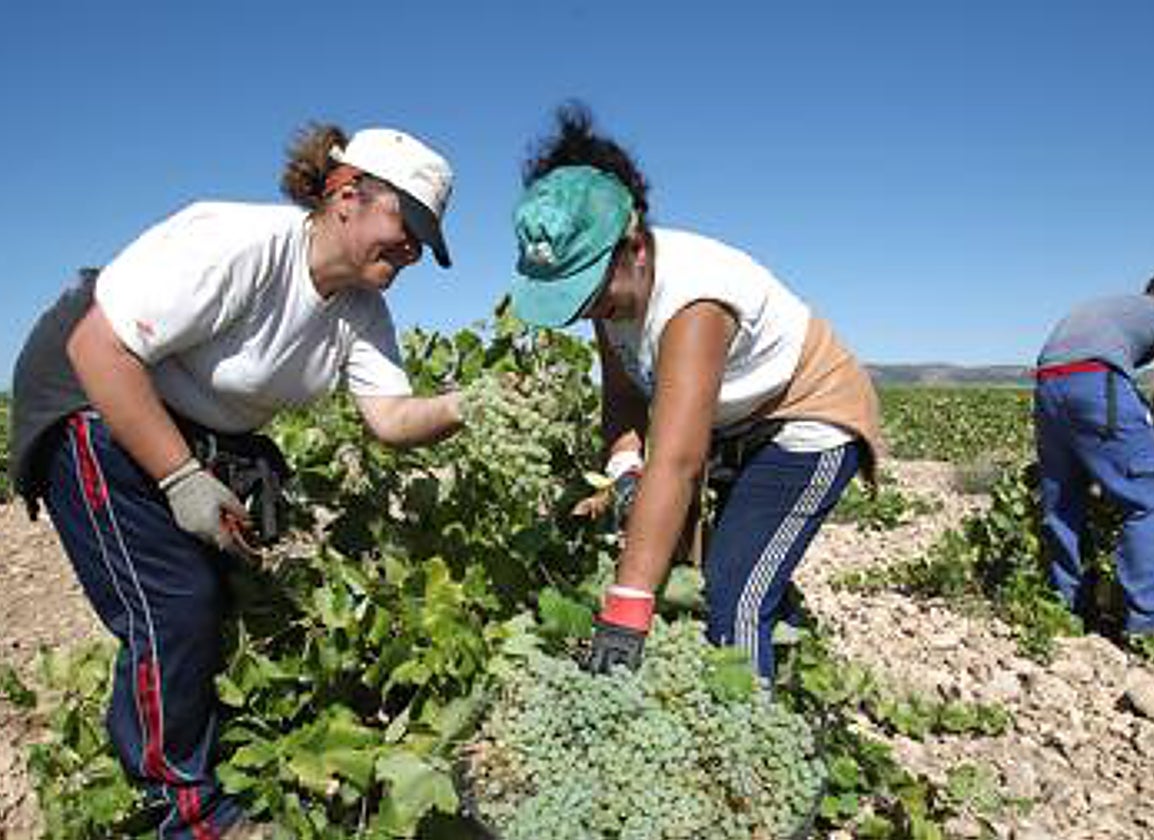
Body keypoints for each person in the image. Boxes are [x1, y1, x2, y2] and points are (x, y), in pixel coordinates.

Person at [8, 123, 463, 838]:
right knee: (172, 604)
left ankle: (205, 738)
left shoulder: (362, 312)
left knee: (223, 590)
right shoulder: (240, 244)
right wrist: (182, 477)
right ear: (346, 195)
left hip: (177, 413)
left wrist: (471, 407)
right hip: (89, 397)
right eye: (407, 227)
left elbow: (391, 417)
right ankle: (187, 814)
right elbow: (98, 347)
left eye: (423, 243)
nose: (410, 251)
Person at [507, 104, 883, 679]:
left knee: (736, 599)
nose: (590, 309)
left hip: (806, 420)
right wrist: (626, 468)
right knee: (697, 570)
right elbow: (626, 398)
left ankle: (753, 753)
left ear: (633, 246)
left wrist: (625, 614)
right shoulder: (610, 293)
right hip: (732, 426)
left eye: (590, 290)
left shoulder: (695, 303)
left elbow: (679, 462)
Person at [1034, 268, 1154, 641]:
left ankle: (1067, 612)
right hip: (1095, 381)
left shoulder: (1107, 307)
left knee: (1063, 503)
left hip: (1047, 386)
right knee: (1152, 497)